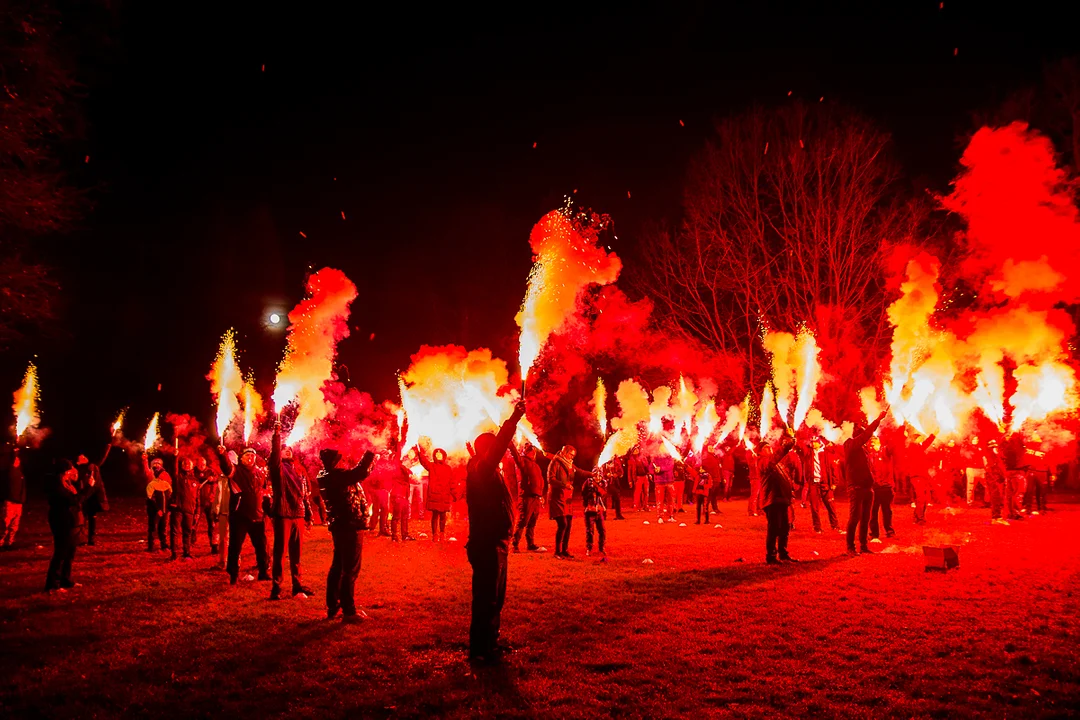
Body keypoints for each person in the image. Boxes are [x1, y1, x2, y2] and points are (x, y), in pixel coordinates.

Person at [465, 400, 526, 663]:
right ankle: (480, 650)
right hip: (487, 544)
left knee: (496, 599)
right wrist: (513, 420)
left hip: (498, 542)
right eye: (494, 448)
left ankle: (491, 643)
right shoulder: (481, 469)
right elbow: (498, 448)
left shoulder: (487, 471)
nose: (500, 453)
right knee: (486, 599)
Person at [318, 447, 376, 622]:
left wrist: (373, 459)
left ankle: (333, 605)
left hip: (342, 526)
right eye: (340, 459)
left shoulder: (329, 475)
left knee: (338, 567)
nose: (344, 462)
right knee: (349, 570)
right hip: (349, 526)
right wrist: (370, 452)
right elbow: (359, 472)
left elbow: (361, 473)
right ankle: (349, 611)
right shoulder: (334, 476)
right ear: (334, 462)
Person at [269, 422, 315, 599]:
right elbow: (274, 457)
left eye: (289, 449)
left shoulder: (298, 469)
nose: (287, 450)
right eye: (283, 449)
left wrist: (308, 514)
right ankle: (276, 588)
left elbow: (303, 494)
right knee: (280, 552)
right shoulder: (277, 468)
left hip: (298, 513)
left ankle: (297, 585)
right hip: (283, 513)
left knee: (297, 553)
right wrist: (277, 435)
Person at [217, 445, 270, 584]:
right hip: (240, 516)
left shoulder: (260, 473)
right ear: (241, 458)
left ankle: (263, 571)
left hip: (258, 516)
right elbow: (226, 467)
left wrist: (267, 509)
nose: (251, 458)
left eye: (253, 456)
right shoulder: (236, 471)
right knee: (235, 546)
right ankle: (233, 574)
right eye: (247, 455)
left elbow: (263, 492)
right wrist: (222, 455)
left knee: (262, 546)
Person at [45, 460, 97, 591]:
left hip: (71, 522)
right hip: (62, 522)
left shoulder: (67, 484)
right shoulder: (57, 486)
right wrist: (89, 488)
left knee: (69, 553)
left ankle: (65, 580)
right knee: (61, 553)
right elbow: (74, 500)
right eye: (71, 469)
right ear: (65, 472)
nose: (73, 470)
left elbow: (77, 495)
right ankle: (52, 584)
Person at [843, 409, 887, 555]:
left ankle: (863, 546)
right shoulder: (849, 445)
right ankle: (850, 547)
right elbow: (866, 435)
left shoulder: (862, 449)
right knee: (854, 518)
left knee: (865, 519)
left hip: (867, 489)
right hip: (856, 488)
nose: (864, 435)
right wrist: (878, 419)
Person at [759, 432, 798, 564]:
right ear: (760, 452)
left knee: (784, 528)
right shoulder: (763, 462)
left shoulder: (777, 464)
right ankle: (771, 556)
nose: (769, 448)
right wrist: (786, 446)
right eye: (766, 447)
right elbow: (776, 457)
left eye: (769, 447)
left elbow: (786, 477)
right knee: (774, 528)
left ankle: (783, 553)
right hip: (772, 500)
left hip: (782, 500)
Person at [548, 445, 592, 558]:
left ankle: (565, 550)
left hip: (567, 498)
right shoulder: (556, 462)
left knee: (569, 524)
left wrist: (592, 474)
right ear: (565, 452)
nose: (571, 457)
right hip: (557, 497)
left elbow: (580, 472)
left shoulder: (570, 464)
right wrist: (564, 485)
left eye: (573, 455)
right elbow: (550, 479)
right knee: (563, 524)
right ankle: (557, 552)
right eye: (570, 454)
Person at [511, 443, 548, 552]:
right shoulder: (522, 461)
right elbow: (515, 455)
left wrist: (541, 495)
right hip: (527, 497)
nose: (534, 453)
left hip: (536, 497)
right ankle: (515, 545)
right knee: (523, 521)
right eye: (531, 451)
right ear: (527, 452)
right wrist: (511, 445)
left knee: (532, 522)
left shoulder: (535, 465)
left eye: (534, 452)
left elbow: (540, 481)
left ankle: (530, 544)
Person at [76, 443, 112, 546]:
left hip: (93, 497)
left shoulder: (93, 466)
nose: (84, 457)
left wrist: (108, 446)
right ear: (78, 461)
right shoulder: (78, 470)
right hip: (84, 496)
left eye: (84, 456)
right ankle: (81, 538)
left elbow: (102, 457)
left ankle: (91, 539)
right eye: (81, 457)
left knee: (92, 518)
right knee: (83, 518)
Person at [418, 445, 455, 542]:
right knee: (435, 516)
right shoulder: (432, 466)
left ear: (444, 456)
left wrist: (455, 493)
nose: (438, 455)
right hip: (435, 494)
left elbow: (451, 482)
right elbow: (424, 462)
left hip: (444, 495)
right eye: (437, 454)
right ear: (434, 456)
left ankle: (442, 534)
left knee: (443, 516)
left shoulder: (448, 468)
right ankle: (435, 535)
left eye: (440, 454)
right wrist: (419, 453)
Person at [169, 457, 201, 561]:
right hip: (178, 509)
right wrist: (175, 457)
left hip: (190, 510)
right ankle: (174, 553)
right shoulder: (178, 478)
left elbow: (197, 498)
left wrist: (197, 512)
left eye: (188, 464)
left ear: (192, 467)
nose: (186, 465)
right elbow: (174, 470)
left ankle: (186, 553)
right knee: (175, 531)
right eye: (184, 464)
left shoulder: (195, 481)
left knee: (187, 532)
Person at [868, 437, 896, 541]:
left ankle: (889, 531)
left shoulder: (885, 452)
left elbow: (892, 445)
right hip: (874, 488)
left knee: (887, 511)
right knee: (873, 512)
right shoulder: (869, 456)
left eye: (873, 444)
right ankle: (874, 533)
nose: (871, 446)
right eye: (870, 444)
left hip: (885, 487)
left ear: (878, 443)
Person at [144, 456, 172, 553]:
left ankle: (164, 545)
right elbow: (150, 498)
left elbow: (169, 495)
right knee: (153, 528)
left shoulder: (166, 484)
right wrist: (157, 510)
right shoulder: (151, 484)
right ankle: (151, 547)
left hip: (165, 510)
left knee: (163, 529)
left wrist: (168, 509)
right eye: (154, 464)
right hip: (155, 510)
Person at [907, 433, 936, 525]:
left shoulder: (918, 447)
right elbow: (925, 444)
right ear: (915, 439)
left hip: (922, 476)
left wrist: (934, 435)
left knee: (924, 497)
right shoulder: (913, 447)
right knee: (921, 497)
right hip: (917, 476)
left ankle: (918, 517)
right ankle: (920, 518)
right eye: (920, 438)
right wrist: (933, 435)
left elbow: (925, 444)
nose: (922, 438)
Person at [1, 444, 25, 549]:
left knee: (15, 524)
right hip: (10, 501)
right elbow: (12, 459)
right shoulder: (9, 471)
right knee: (5, 524)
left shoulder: (20, 472)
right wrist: (15, 452)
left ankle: (10, 543)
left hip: (19, 502)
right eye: (16, 459)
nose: (17, 461)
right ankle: (1, 542)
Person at [581, 469, 607, 560]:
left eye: (599, 476)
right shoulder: (588, 483)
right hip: (589, 510)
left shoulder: (602, 483)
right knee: (590, 531)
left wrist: (597, 488)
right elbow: (583, 494)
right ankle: (589, 548)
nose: (598, 477)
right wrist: (591, 492)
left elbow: (603, 493)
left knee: (602, 531)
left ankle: (601, 548)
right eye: (596, 476)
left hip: (599, 510)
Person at [390, 452, 416, 542]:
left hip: (404, 496)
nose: (411, 464)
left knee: (404, 517)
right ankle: (394, 536)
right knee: (396, 517)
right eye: (410, 462)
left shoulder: (406, 470)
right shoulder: (399, 468)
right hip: (398, 495)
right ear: (405, 461)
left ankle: (404, 535)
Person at [195, 456, 218, 554]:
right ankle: (191, 541)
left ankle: (213, 545)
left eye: (203, 464)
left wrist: (213, 478)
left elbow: (218, 477)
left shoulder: (211, 471)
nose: (201, 466)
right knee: (194, 522)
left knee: (211, 524)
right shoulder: (193, 472)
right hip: (197, 502)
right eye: (200, 464)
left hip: (209, 501)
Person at [653, 452, 677, 523]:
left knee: (671, 500)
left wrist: (660, 469)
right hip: (659, 481)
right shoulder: (655, 457)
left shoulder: (670, 457)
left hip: (669, 481)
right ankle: (660, 517)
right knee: (659, 500)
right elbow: (651, 467)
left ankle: (671, 516)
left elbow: (670, 466)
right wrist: (655, 470)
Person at [628, 446, 650, 511]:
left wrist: (649, 474)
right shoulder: (631, 460)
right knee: (638, 493)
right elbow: (629, 471)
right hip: (638, 477)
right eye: (635, 450)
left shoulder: (643, 457)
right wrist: (630, 481)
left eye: (637, 449)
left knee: (646, 492)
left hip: (645, 476)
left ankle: (645, 506)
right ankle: (637, 506)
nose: (636, 450)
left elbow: (647, 467)